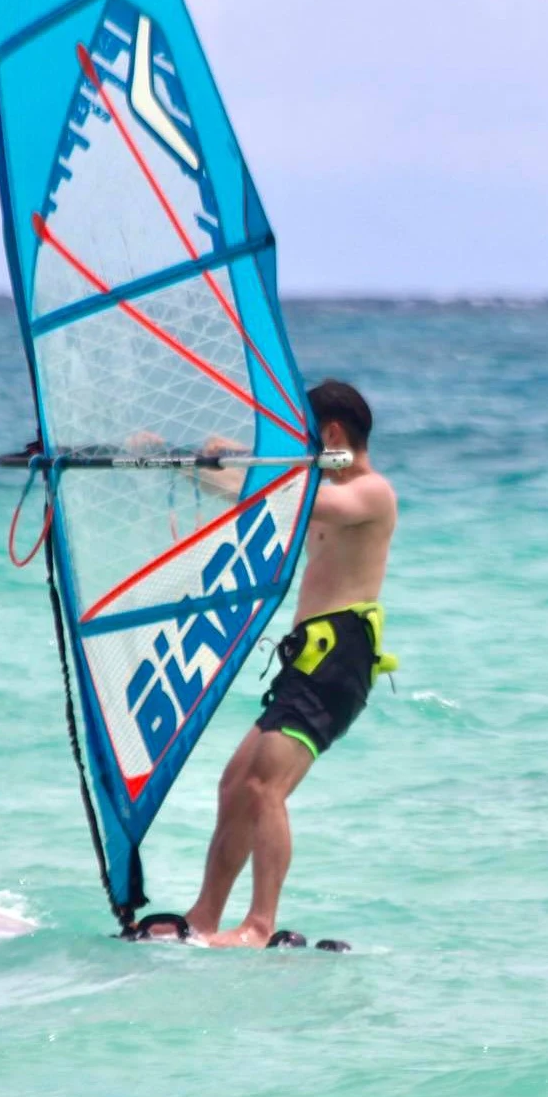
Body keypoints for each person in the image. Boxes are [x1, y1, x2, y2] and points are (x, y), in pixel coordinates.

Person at [136, 379, 398, 946]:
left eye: (303, 438)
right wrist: (181, 463)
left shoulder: (370, 493)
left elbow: (293, 498)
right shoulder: (318, 486)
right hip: (309, 660)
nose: (299, 449)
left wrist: (244, 456)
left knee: (265, 787)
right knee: (236, 783)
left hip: (339, 660)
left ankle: (259, 925)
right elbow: (258, 495)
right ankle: (204, 919)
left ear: (331, 434)